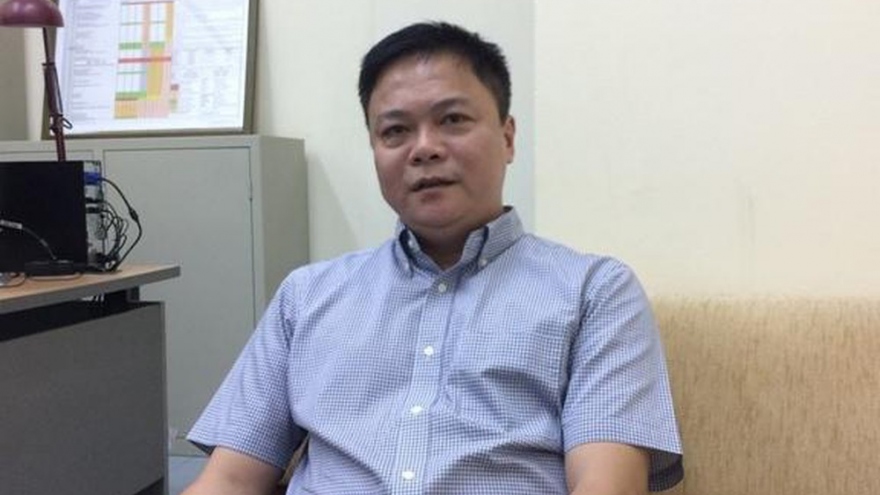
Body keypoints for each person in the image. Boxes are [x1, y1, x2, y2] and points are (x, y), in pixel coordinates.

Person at [183, 21, 683, 495]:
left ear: (508, 137)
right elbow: (230, 481)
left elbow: (608, 486)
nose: (424, 149)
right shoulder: (306, 297)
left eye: (453, 120)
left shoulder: (595, 291)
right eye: (395, 131)